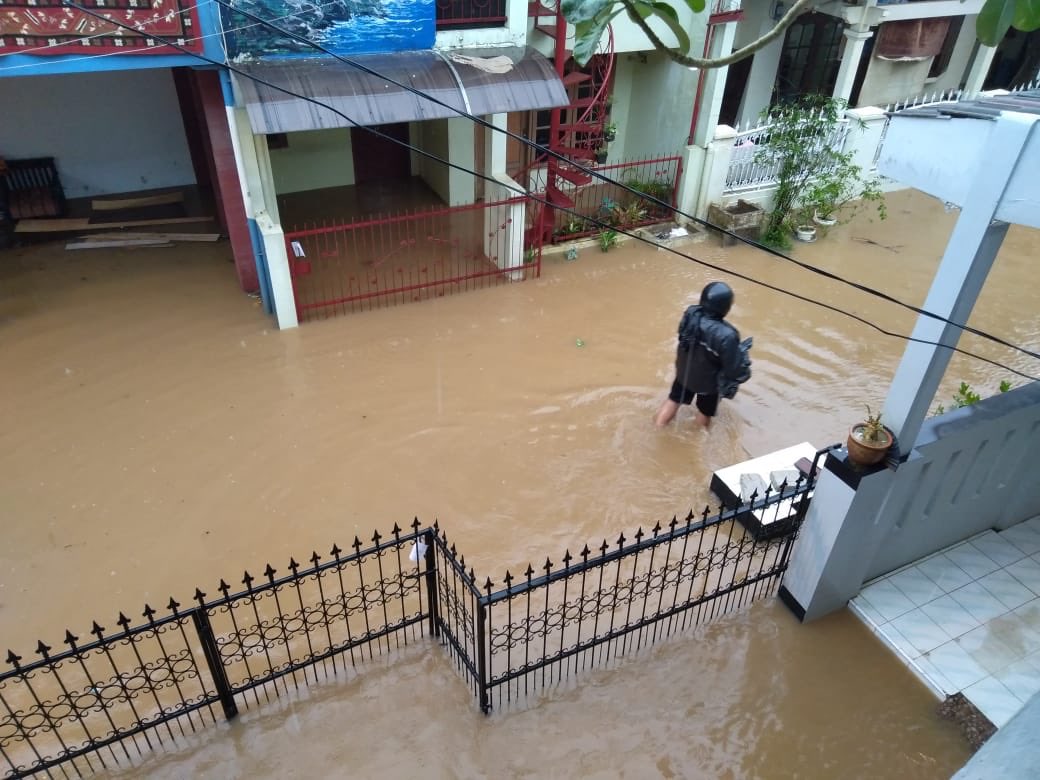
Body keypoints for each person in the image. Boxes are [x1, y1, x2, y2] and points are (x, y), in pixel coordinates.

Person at [654, 281, 750, 429]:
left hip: (683, 374)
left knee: (673, 400)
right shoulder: (727, 335)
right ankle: (696, 440)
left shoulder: (690, 314)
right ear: (727, 307)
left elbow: (683, 339)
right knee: (705, 412)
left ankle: (657, 427)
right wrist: (744, 365)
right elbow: (734, 370)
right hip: (708, 384)